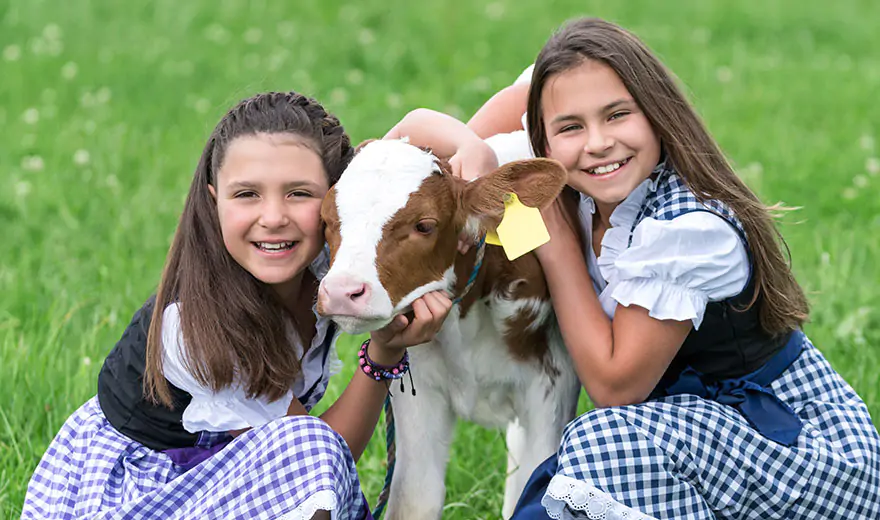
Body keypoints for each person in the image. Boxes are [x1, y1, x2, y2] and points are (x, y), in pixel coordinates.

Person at [386, 18, 880, 520]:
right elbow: (435, 136)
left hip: (792, 450)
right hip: (691, 438)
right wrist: (473, 149)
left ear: (657, 113)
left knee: (606, 445)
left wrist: (555, 245)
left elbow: (617, 388)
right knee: (605, 458)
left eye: (618, 115)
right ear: (543, 134)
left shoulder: (686, 230)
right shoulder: (577, 167)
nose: (598, 142)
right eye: (571, 126)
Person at [22, 91, 453, 520]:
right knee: (311, 449)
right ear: (214, 202)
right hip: (132, 495)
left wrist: (475, 154)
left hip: (215, 478)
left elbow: (411, 132)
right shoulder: (195, 327)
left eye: (299, 194)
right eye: (247, 194)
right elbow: (323, 457)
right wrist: (383, 353)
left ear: (336, 200)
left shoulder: (331, 262)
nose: (272, 217)